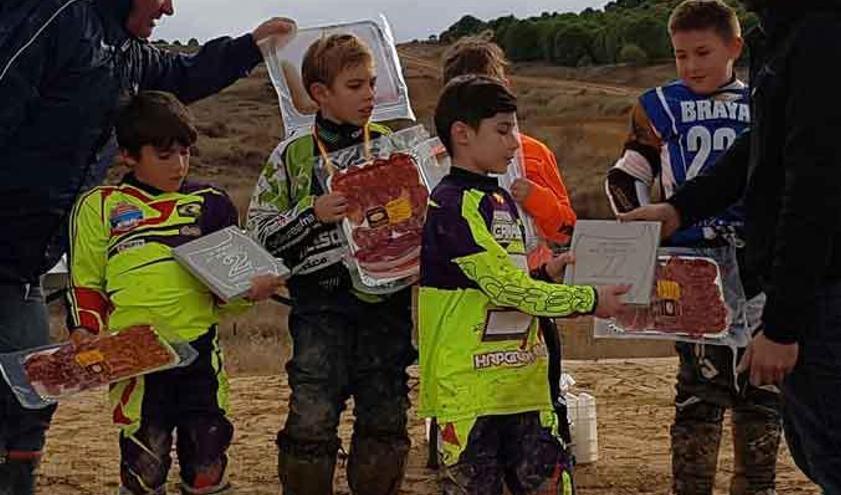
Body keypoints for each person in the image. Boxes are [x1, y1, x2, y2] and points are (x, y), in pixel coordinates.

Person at [0, 1, 293, 490]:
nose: (168, 6)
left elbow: (183, 73)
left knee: (35, 390)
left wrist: (250, 46)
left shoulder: (129, 52)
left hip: (28, 258)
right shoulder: (54, 16)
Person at [620, 0, 841, 492]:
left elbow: (817, 193)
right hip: (820, 283)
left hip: (827, 285)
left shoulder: (828, 39)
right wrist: (679, 209)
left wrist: (782, 325)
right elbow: (764, 147)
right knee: (821, 448)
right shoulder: (791, 34)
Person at [420, 74, 629, 494]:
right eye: (502, 130)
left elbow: (505, 284)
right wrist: (588, 299)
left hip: (526, 387)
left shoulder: (502, 201)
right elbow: (503, 289)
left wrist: (544, 274)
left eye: (514, 128)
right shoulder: (448, 205)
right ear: (461, 134)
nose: (515, 143)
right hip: (469, 394)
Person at [66, 91, 282, 495]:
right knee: (144, 465)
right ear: (129, 155)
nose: (179, 165)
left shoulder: (210, 203)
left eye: (185, 153)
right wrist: (83, 330)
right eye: (164, 155)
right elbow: (85, 283)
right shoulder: (100, 206)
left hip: (199, 351)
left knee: (208, 457)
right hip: (135, 358)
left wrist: (250, 290)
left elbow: (229, 287)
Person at [605, 2, 782, 493]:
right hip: (690, 261)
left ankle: (757, 484)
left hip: (754, 261)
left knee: (761, 389)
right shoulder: (657, 103)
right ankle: (692, 485)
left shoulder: (765, 101)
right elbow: (625, 175)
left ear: (735, 48)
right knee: (698, 389)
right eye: (681, 55)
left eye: (703, 52)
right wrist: (638, 231)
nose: (691, 65)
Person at [246, 34, 415, 494]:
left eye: (373, 84)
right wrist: (313, 214)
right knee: (312, 415)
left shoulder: (394, 147)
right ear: (320, 94)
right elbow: (258, 232)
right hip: (320, 308)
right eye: (355, 85)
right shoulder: (292, 155)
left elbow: (422, 219)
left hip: (387, 307)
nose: (369, 95)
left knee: (386, 416)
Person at [440, 36, 579, 446]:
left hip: (532, 292)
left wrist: (536, 199)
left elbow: (566, 230)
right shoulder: (433, 158)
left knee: (540, 385)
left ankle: (551, 446)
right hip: (463, 302)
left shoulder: (531, 153)